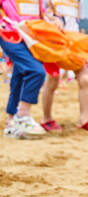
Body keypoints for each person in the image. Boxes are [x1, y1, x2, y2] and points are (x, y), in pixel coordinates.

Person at [40, 0, 88, 133]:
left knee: (85, 79)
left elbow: (76, 21)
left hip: (73, 41)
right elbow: (41, 14)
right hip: (53, 40)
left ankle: (84, 119)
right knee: (53, 79)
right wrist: (52, 19)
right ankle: (46, 118)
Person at [0, 0, 47, 138]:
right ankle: (22, 116)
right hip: (9, 33)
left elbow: (41, 15)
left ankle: (11, 123)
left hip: (30, 37)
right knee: (36, 71)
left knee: (19, 75)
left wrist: (53, 21)